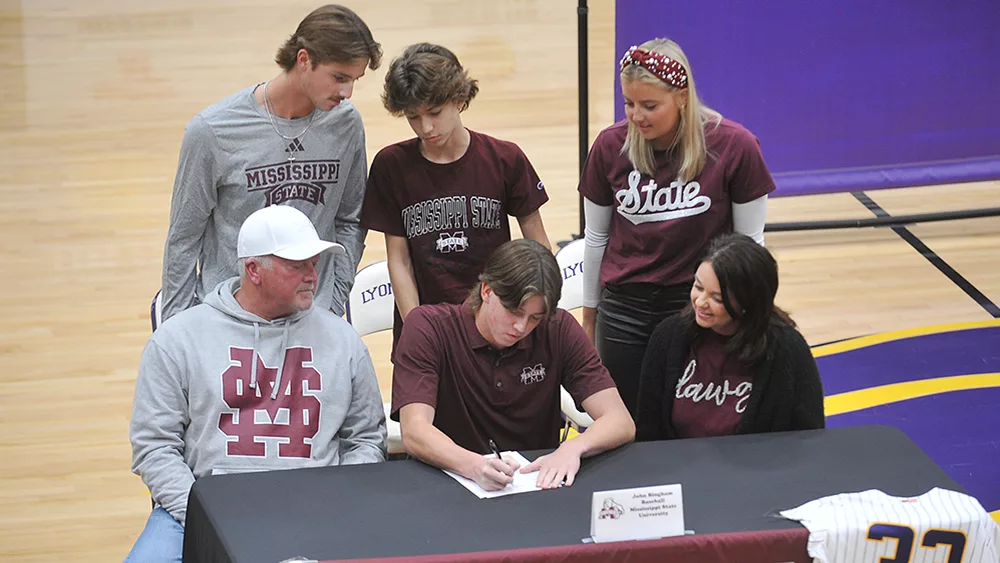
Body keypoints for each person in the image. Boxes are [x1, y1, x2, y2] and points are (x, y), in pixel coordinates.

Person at [127, 206, 386, 562]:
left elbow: (367, 438)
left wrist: (336, 503)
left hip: (317, 511)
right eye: (298, 266)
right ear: (253, 270)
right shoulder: (177, 341)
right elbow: (154, 447)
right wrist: (207, 520)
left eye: (314, 262)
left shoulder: (345, 342)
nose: (313, 275)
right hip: (204, 509)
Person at [578, 37, 776, 417]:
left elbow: (751, 243)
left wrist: (754, 314)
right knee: (625, 421)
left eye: (650, 105)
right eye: (629, 104)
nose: (637, 116)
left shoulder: (736, 146)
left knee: (694, 419)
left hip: (698, 306)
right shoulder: (609, 147)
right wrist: (590, 319)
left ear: (682, 96)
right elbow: (596, 237)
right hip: (625, 310)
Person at [160, 4, 382, 321]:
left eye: (354, 80)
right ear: (303, 59)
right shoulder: (212, 131)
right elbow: (183, 239)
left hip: (313, 317)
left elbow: (350, 218)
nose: (347, 92)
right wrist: (176, 331)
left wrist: (333, 302)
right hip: (230, 317)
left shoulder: (345, 125)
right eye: (339, 77)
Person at [391, 239, 634, 492]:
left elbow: (620, 421)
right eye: (514, 312)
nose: (521, 327)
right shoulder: (428, 328)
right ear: (486, 290)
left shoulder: (558, 329)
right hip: (447, 482)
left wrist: (572, 447)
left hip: (534, 485)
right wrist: (473, 465)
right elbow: (415, 431)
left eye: (534, 318)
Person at [360, 42, 551, 346]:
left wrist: (531, 317)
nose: (425, 127)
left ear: (459, 99)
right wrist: (416, 332)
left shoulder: (505, 159)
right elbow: (399, 261)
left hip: (498, 327)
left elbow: (538, 246)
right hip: (430, 331)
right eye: (412, 117)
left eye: (434, 112)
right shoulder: (391, 166)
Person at [635, 233, 824, 441]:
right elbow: (648, 429)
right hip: (679, 469)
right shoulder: (668, 336)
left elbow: (810, 436)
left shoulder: (787, 348)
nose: (700, 302)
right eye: (698, 287)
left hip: (759, 469)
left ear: (747, 302)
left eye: (716, 298)